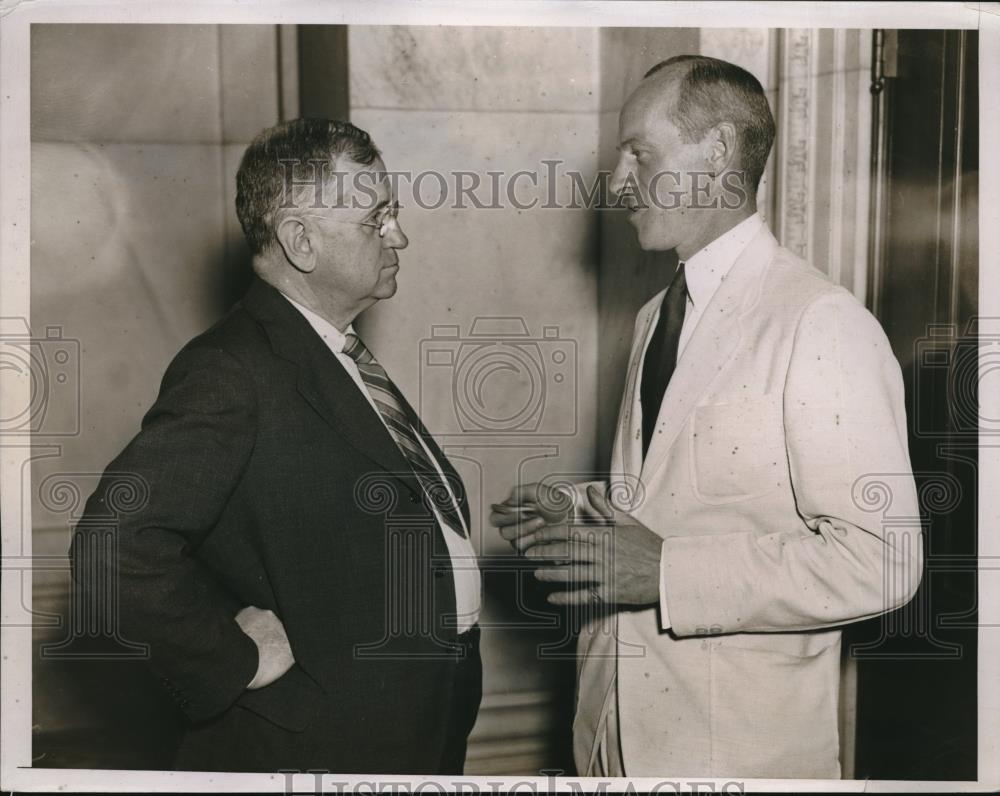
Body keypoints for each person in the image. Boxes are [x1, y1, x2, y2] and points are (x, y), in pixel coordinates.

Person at [491, 55, 922, 778]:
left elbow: (883, 561)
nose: (619, 182)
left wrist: (666, 574)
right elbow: (681, 504)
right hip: (609, 735)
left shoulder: (819, 320)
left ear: (717, 151)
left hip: (738, 754)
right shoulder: (655, 314)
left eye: (639, 153)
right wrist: (579, 515)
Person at [69, 119, 482, 774]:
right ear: (301, 240)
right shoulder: (231, 369)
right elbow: (112, 545)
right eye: (377, 218)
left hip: (409, 728)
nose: (399, 235)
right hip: (316, 748)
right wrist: (232, 660)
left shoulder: (329, 350)